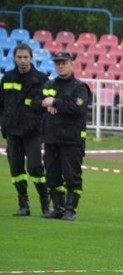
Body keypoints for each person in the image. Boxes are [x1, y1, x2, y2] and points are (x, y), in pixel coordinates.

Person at [40, 51, 91, 221]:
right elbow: (36, 101)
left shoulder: (80, 87)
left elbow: (77, 108)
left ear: (72, 64)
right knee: (52, 175)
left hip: (71, 139)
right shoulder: (49, 84)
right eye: (57, 63)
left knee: (72, 176)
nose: (60, 66)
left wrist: (55, 102)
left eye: (64, 63)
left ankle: (71, 208)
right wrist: (44, 103)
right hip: (51, 138)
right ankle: (58, 207)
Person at [0, 43, 49, 217]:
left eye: (25, 57)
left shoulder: (41, 79)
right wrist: (3, 123)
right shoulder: (7, 78)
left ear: (31, 58)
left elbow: (46, 108)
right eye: (19, 57)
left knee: (35, 167)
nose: (22, 61)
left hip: (32, 131)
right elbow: (2, 104)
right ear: (14, 58)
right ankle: (23, 204)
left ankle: (45, 202)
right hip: (12, 131)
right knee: (16, 169)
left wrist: (42, 128)